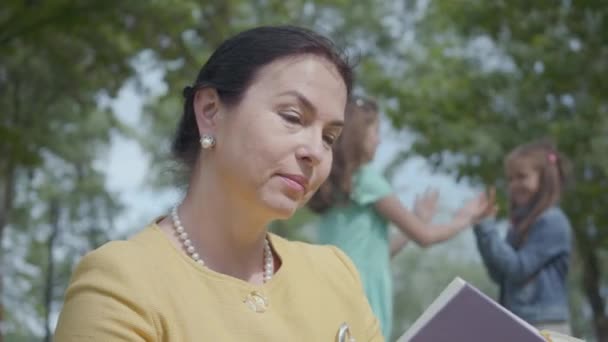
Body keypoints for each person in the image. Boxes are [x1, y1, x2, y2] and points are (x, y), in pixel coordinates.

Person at [54, 25, 384, 341]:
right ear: (211, 111)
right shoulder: (120, 284)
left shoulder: (336, 274)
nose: (315, 152)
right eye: (293, 117)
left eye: (329, 137)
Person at [307, 96, 489, 339]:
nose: (379, 140)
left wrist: (417, 219)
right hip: (363, 299)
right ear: (359, 135)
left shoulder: (338, 185)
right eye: (376, 131)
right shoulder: (368, 179)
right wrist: (465, 218)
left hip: (335, 293)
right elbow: (425, 237)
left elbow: (379, 253)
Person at [473, 140, 573, 334]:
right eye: (510, 179)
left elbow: (519, 269)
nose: (514, 185)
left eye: (521, 177)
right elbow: (499, 274)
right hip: (520, 322)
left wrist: (488, 229)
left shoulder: (553, 221)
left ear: (544, 179)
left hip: (546, 324)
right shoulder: (518, 226)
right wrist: (482, 230)